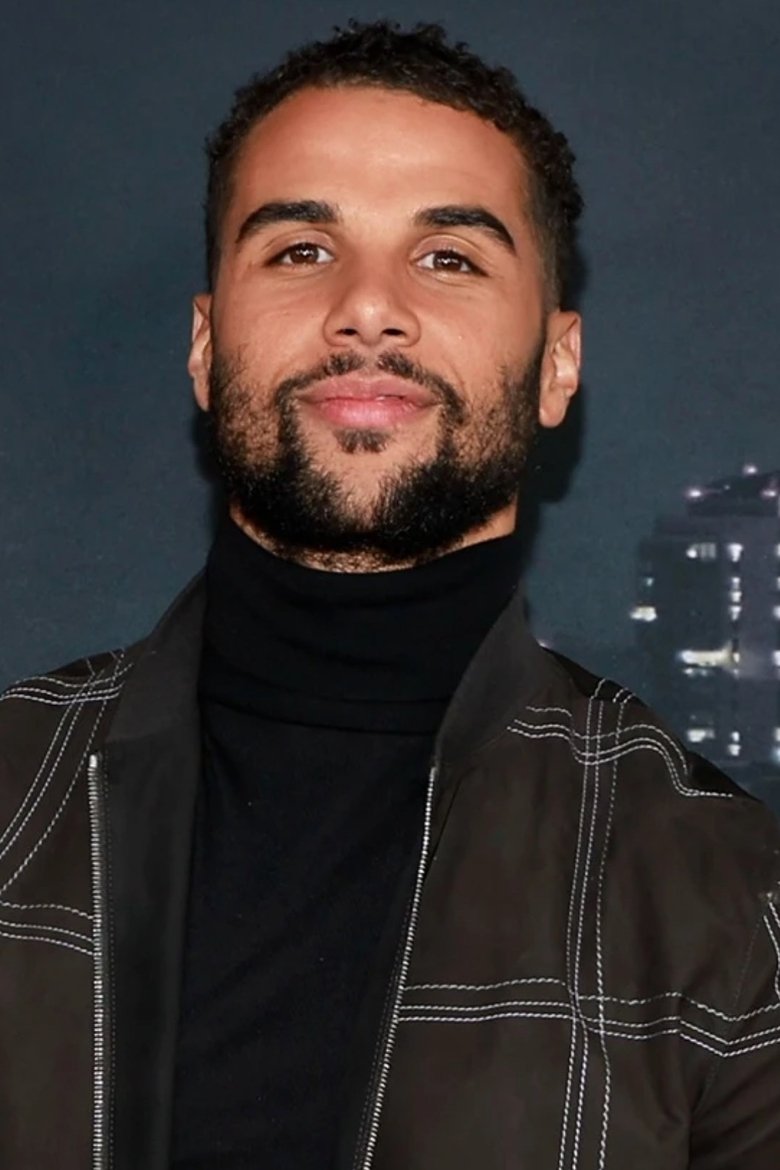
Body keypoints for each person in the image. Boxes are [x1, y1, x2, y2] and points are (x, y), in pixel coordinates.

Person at [1, 19, 778, 1170]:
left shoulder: (728, 902)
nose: (369, 306)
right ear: (206, 348)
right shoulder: (13, 794)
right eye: (302, 249)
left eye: (449, 256)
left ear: (558, 363)